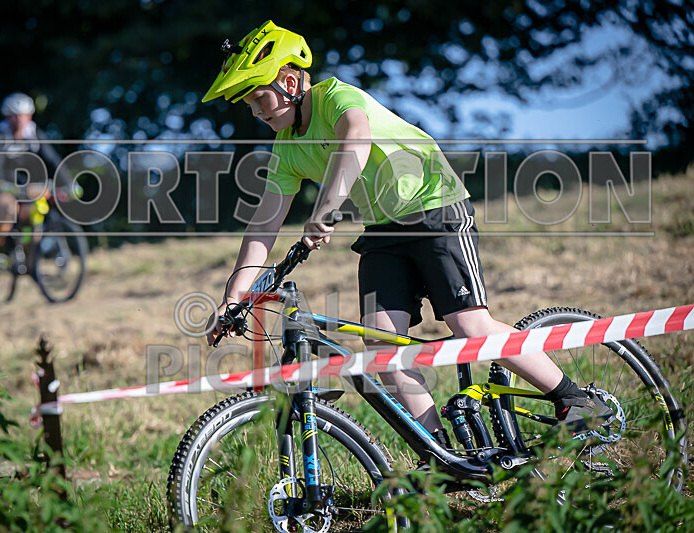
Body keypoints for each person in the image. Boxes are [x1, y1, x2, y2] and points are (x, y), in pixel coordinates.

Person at [203, 21, 610, 446]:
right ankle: (438, 456)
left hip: (434, 207)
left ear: (289, 83)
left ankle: (574, 398)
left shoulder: (335, 97)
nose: (255, 111)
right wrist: (233, 298)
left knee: (468, 325)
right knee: (382, 348)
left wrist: (326, 207)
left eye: (259, 98)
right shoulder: (287, 149)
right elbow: (263, 225)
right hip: (383, 231)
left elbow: (356, 138)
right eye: (248, 104)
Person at [0, 92, 70, 250]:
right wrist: (1, 184)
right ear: (8, 117)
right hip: (1, 185)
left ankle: (28, 253)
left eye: (23, 116)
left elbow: (53, 160)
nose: (19, 120)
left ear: (30, 116)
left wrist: (69, 183)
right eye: (15, 116)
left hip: (26, 185)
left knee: (35, 215)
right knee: (9, 210)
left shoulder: (35, 134)